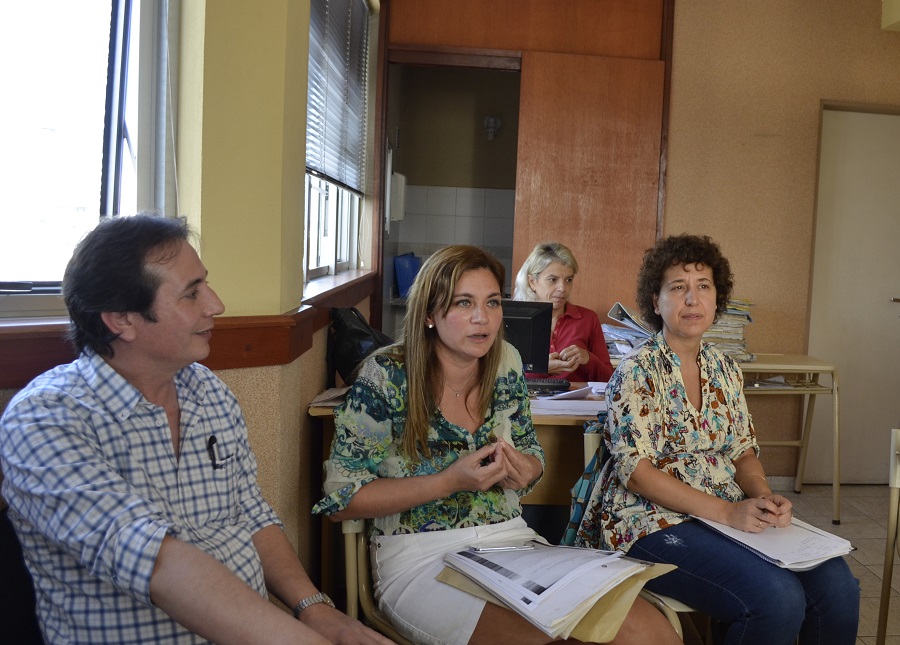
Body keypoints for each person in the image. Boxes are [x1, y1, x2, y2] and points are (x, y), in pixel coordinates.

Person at [0, 215, 391, 645]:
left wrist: (314, 609)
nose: (216, 305)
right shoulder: (45, 418)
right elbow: (156, 562)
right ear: (121, 319)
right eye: (191, 294)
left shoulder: (206, 390)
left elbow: (250, 513)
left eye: (205, 284)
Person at [313, 245, 680, 645]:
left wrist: (526, 469)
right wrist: (448, 482)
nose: (482, 318)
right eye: (464, 303)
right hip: (419, 557)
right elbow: (341, 501)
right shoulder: (386, 375)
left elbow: (531, 453)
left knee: (648, 628)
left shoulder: (505, 361)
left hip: (510, 543)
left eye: (491, 302)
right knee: (552, 639)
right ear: (430, 315)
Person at [572, 234, 860, 644]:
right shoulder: (636, 371)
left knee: (838, 589)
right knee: (777, 599)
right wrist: (727, 512)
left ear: (716, 297)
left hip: (725, 513)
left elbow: (743, 452)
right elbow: (637, 473)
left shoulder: (725, 368)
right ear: (656, 301)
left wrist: (763, 496)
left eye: (703, 286)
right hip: (649, 520)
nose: (692, 299)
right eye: (678, 287)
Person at [513, 241, 613, 382]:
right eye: (553, 280)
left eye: (568, 280)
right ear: (532, 282)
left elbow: (610, 380)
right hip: (529, 397)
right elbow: (499, 379)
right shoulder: (515, 320)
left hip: (578, 396)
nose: (563, 288)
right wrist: (540, 369)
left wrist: (588, 359)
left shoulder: (588, 319)